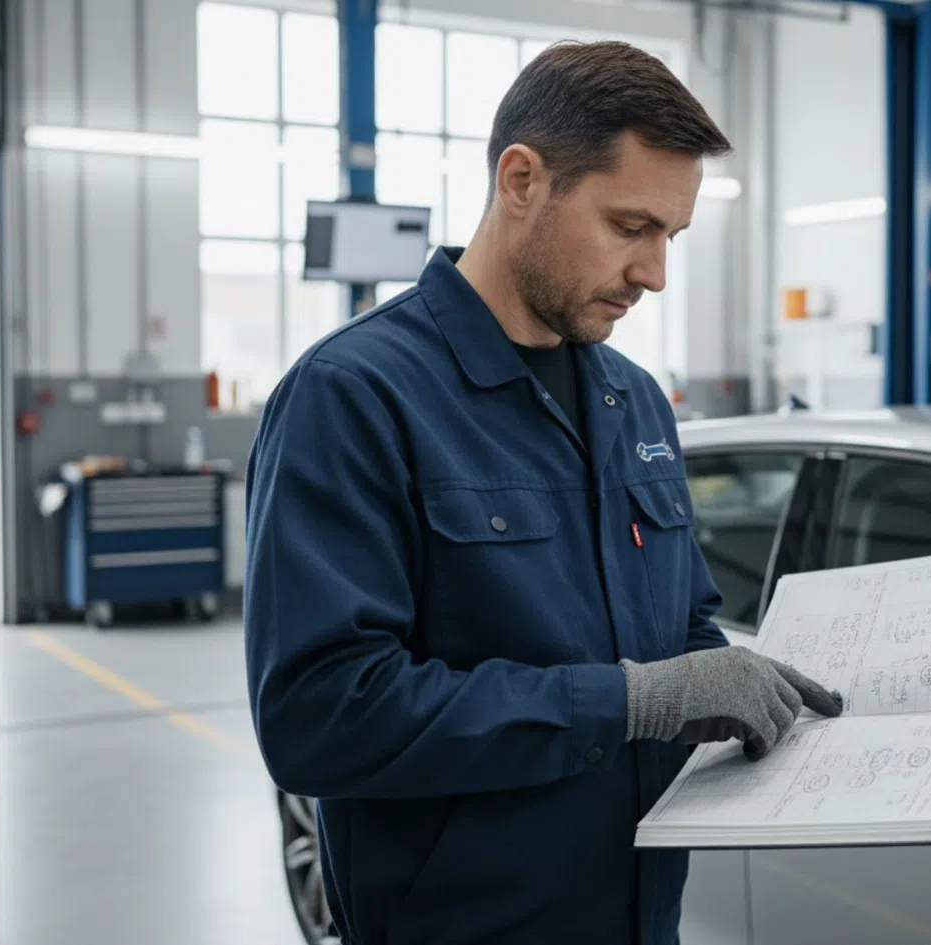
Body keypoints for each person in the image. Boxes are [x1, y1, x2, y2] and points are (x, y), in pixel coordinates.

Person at [243, 40, 842, 945]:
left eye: (670, 238)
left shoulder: (632, 398)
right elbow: (319, 716)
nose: (654, 274)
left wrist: (740, 691)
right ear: (521, 180)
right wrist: (632, 701)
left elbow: (679, 630)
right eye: (630, 227)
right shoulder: (355, 396)